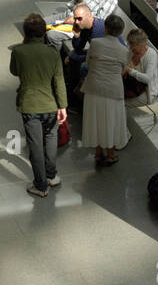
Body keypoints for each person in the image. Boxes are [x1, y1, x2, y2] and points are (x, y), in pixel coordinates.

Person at [9, 13, 69, 197]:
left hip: (29, 105)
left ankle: (41, 186)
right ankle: (52, 175)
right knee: (51, 139)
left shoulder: (18, 52)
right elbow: (59, 81)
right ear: (44, 33)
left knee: (35, 146)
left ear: (26, 34)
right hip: (50, 104)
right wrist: (63, 106)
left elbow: (14, 71)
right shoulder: (53, 53)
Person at [82, 13, 131, 165]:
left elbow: (88, 62)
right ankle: (111, 154)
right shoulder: (125, 51)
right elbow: (123, 70)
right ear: (121, 31)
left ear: (106, 28)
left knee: (96, 119)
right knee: (111, 121)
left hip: (94, 87)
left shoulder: (95, 43)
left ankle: (98, 152)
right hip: (114, 89)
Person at [123, 29, 158, 104]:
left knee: (119, 102)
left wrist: (130, 71)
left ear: (142, 44)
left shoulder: (151, 55)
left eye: (133, 45)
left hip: (147, 91)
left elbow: (147, 79)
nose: (131, 47)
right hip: (129, 84)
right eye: (130, 44)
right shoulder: (131, 50)